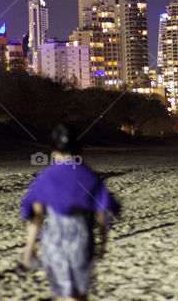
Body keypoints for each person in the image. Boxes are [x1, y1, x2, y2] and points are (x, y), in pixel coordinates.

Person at [20, 124, 117, 301]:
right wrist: (103, 244)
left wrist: (29, 250)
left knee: (61, 294)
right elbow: (103, 214)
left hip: (54, 239)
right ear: (79, 150)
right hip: (81, 238)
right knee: (79, 294)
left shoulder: (45, 177)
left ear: (54, 152)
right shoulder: (89, 176)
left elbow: (36, 216)